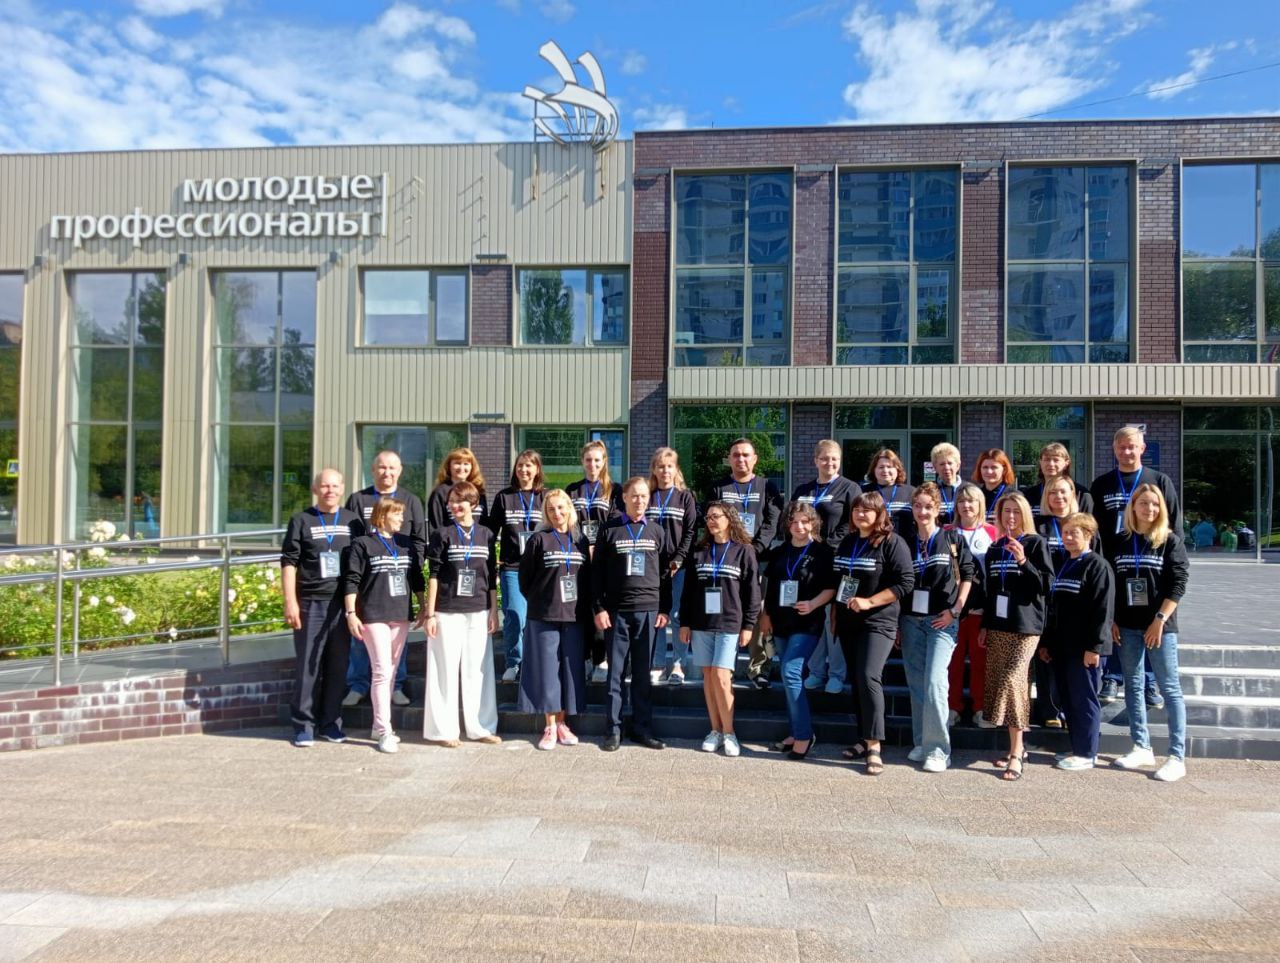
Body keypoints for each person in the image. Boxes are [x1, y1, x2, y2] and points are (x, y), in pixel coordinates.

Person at [1090, 426, 1180, 709]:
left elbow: (1173, 525)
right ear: (1114, 450)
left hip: (1152, 565)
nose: (1127, 452)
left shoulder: (1159, 481)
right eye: (1122, 447)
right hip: (1115, 565)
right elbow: (1095, 529)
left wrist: (1172, 558)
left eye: (1132, 447)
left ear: (1142, 448)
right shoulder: (1102, 484)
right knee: (1117, 622)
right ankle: (1112, 677)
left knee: (1149, 621)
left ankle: (1150, 683)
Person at [1110, 484, 1190, 782]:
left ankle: (1177, 756)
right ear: (1133, 507)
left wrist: (1159, 620)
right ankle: (1141, 746)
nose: (1149, 509)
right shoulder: (1120, 541)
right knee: (1132, 685)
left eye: (1155, 504)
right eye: (1143, 503)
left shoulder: (1169, 541)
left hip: (1160, 627)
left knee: (1169, 688)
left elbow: (1178, 584)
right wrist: (1113, 620)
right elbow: (1112, 584)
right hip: (1127, 626)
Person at [833, 491, 914, 776]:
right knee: (857, 680)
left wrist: (870, 601)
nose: (860, 514)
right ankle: (863, 737)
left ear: (880, 514)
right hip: (848, 622)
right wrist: (835, 615)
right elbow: (840, 580)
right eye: (857, 510)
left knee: (869, 677)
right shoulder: (848, 541)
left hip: (878, 622)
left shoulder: (892, 542)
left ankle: (875, 746)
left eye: (867, 510)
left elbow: (905, 583)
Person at [281, 469, 361, 747]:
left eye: (335, 486)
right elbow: (289, 563)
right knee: (309, 666)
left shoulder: (352, 521)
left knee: (338, 667)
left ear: (342, 488)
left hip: (342, 604)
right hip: (310, 603)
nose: (330, 491)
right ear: (315, 489)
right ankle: (303, 725)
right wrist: (290, 601)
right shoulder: (301, 520)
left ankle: (330, 724)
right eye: (325, 486)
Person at [592, 476, 672, 751]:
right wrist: (599, 608)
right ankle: (613, 730)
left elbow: (665, 574)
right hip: (617, 612)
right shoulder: (609, 529)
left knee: (642, 675)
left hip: (648, 611)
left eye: (644, 496)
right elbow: (596, 573)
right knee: (615, 675)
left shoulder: (657, 531)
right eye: (634, 495)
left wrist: (665, 608)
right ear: (624, 498)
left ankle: (642, 728)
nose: (639, 500)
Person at [899, 483, 975, 773]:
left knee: (934, 683)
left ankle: (939, 750)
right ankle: (922, 741)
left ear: (938, 509)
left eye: (928, 506)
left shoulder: (951, 538)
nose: (922, 511)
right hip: (910, 620)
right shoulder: (905, 541)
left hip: (942, 621)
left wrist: (956, 610)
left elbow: (967, 574)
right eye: (917, 506)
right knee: (917, 685)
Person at [977, 492, 1053, 781]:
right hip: (999, 626)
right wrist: (985, 625)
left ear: (1025, 515)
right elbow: (991, 590)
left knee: (1013, 681)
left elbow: (1045, 585)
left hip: (1025, 627)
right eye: (1006, 511)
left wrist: (1023, 561)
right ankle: (1017, 748)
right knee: (1009, 684)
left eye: (1016, 511)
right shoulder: (995, 548)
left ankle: (1016, 752)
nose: (1010, 517)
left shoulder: (1035, 543)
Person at [343, 450, 426, 710]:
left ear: (400, 471)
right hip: (369, 582)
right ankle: (358, 685)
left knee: (396, 642)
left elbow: (419, 539)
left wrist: (413, 571)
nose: (387, 472)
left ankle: (396, 686)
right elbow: (351, 540)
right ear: (373, 469)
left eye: (392, 468)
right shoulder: (358, 499)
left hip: (399, 579)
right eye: (382, 467)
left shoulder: (411, 500)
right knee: (361, 638)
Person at [342, 496, 425, 754]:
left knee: (391, 670)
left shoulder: (405, 544)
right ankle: (385, 730)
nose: (402, 518)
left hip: (400, 614)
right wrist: (351, 613)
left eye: (402, 514)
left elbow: (416, 578)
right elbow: (352, 580)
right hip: (373, 615)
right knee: (381, 671)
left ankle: (378, 726)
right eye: (397, 514)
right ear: (382, 515)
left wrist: (423, 606)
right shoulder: (362, 544)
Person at [678, 500, 761, 757]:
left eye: (717, 516)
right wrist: (685, 622)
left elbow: (752, 592)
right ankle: (714, 730)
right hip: (701, 623)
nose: (711, 521)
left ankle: (729, 733)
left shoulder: (744, 551)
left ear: (729, 519)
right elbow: (688, 591)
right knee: (708, 677)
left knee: (722, 677)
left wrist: (749, 625)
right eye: (709, 517)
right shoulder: (699, 551)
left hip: (730, 622)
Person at [422, 481, 502, 747]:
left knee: (477, 671)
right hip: (447, 610)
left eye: (460, 501)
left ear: (473, 503)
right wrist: (430, 614)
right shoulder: (442, 534)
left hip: (479, 610)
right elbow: (433, 575)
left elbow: (491, 575)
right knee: (444, 670)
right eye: (452, 502)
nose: (455, 506)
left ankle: (480, 727)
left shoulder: (486, 535)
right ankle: (444, 731)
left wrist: (493, 610)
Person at [759, 501, 836, 760]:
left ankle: (804, 735)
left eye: (804, 521)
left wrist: (813, 603)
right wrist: (765, 615)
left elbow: (831, 588)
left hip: (807, 622)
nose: (799, 526)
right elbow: (770, 587)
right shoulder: (780, 551)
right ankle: (795, 731)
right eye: (794, 522)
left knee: (791, 672)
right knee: (788, 675)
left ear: (813, 524)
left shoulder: (822, 552)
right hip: (781, 621)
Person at [1038, 512, 1114, 771]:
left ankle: (1087, 753)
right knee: (1068, 699)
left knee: (1084, 700)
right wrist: (1047, 643)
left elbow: (1102, 610)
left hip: (1084, 649)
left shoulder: (1097, 566)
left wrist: (1094, 647)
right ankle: (1077, 747)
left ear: (1088, 535)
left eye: (1074, 533)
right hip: (1062, 647)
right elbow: (1054, 608)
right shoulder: (1064, 563)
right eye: (1065, 533)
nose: (1068, 538)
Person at [706, 438, 784, 688]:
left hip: (758, 559)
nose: (741, 459)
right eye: (736, 455)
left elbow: (772, 522)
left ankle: (759, 668)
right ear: (729, 459)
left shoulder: (767, 486)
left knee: (758, 613)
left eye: (746, 455)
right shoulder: (719, 487)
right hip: (726, 558)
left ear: (755, 459)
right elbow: (712, 520)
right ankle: (723, 667)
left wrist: (754, 549)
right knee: (725, 610)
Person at [517, 489, 590, 751]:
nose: (557, 513)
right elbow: (525, 579)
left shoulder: (580, 541)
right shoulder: (539, 539)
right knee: (548, 672)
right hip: (544, 614)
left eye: (561, 508)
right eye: (551, 509)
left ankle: (562, 723)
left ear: (570, 509)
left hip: (574, 615)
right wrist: (542, 599)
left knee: (569, 672)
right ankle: (549, 726)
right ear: (546, 514)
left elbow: (587, 578)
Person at [1031, 476, 1101, 729]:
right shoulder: (1038, 525)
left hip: (1075, 602)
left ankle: (1071, 712)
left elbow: (1096, 562)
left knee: (1072, 662)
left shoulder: (1084, 524)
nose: (1058, 497)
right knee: (1045, 657)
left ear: (1073, 494)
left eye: (1063, 492)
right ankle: (1049, 709)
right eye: (1052, 493)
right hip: (1045, 600)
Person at [792, 439, 860, 695]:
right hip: (808, 562)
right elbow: (792, 519)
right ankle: (816, 670)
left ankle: (837, 673)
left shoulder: (850, 488)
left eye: (834, 459)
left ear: (839, 462)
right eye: (824, 458)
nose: (829, 463)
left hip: (836, 560)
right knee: (812, 615)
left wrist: (826, 544)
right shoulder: (804, 490)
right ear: (815, 461)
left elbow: (851, 523)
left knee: (834, 616)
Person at [567, 440, 623, 682]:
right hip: (579, 558)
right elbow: (568, 521)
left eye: (597, 460)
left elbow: (614, 524)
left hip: (603, 560)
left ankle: (601, 660)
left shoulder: (615, 490)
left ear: (604, 462)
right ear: (582, 461)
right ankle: (585, 658)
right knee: (580, 610)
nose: (592, 464)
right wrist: (583, 546)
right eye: (588, 460)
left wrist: (597, 548)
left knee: (600, 608)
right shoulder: (573, 490)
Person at [489, 450, 544, 683]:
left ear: (537, 469)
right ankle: (514, 662)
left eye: (529, 465)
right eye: (520, 465)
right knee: (514, 615)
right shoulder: (504, 497)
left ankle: (536, 662)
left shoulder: (545, 497)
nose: (523, 470)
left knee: (539, 618)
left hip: (542, 570)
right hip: (512, 567)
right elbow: (490, 533)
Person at [946, 483, 998, 729]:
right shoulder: (946, 532)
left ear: (980, 505)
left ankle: (980, 708)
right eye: (961, 501)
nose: (966, 506)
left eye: (971, 501)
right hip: (952, 611)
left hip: (981, 611)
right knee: (952, 662)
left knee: (981, 662)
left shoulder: (993, 532)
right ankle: (952, 707)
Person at [646, 447, 698, 686]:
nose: (665, 470)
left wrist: (679, 559)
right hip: (651, 566)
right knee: (657, 615)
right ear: (654, 469)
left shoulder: (685, 497)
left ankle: (678, 664)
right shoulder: (648, 495)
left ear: (676, 469)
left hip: (679, 566)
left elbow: (690, 531)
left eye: (669, 466)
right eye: (660, 466)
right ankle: (657, 663)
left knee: (676, 615)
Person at [1020, 442, 1094, 517]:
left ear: (1066, 463)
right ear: (1040, 463)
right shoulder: (1028, 495)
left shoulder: (1082, 495)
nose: (1051, 464)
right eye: (1046, 459)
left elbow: (1088, 523)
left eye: (1056, 460)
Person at [427, 447, 490, 534]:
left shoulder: (479, 491)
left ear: (472, 467)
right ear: (449, 466)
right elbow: (435, 527)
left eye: (466, 464)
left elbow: (484, 523)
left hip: (476, 541)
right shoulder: (440, 492)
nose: (461, 468)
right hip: (450, 541)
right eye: (457, 463)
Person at [863, 448, 915, 538]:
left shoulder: (911, 492)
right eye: (881, 467)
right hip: (872, 542)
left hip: (904, 543)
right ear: (874, 470)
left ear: (897, 469)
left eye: (889, 467)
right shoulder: (864, 492)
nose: (885, 470)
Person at [972, 449, 1015, 525]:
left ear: (1004, 469)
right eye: (985, 467)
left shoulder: (1014, 496)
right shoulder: (974, 496)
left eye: (994, 467)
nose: (989, 471)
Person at [929, 442, 962, 526]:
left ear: (958, 465)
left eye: (950, 463)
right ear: (935, 467)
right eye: (942, 464)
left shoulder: (967, 489)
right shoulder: (930, 490)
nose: (946, 467)